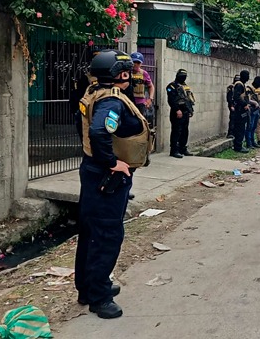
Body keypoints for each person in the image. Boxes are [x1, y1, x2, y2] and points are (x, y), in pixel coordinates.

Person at [75, 50, 150, 319]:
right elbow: (98, 131)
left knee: (91, 231)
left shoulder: (93, 92)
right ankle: (99, 297)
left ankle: (89, 287)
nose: (129, 74)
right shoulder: (111, 101)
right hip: (107, 176)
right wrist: (111, 162)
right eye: (126, 71)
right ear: (118, 74)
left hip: (92, 171)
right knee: (107, 235)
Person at [166, 69, 195, 158]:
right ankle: (174, 150)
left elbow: (189, 98)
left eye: (185, 75)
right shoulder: (171, 86)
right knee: (176, 131)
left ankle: (183, 148)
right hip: (177, 112)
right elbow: (171, 100)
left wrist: (190, 110)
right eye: (182, 75)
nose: (183, 77)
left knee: (185, 131)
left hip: (186, 112)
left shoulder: (185, 86)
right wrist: (177, 110)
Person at [129, 52, 154, 126]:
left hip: (140, 102)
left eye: (138, 62)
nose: (136, 64)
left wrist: (150, 99)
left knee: (140, 123)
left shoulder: (144, 73)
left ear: (141, 64)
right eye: (134, 62)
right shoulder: (126, 73)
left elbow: (151, 86)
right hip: (128, 101)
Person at [231, 71, 250, 153]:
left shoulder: (241, 84)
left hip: (241, 109)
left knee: (241, 128)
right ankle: (238, 146)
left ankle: (238, 145)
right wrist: (244, 104)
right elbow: (236, 97)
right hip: (239, 110)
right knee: (240, 128)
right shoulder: (239, 84)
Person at [245, 77, 260, 149]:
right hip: (251, 110)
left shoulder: (258, 89)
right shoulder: (249, 88)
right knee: (250, 126)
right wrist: (255, 102)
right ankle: (249, 143)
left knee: (254, 127)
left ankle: (253, 142)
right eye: (259, 83)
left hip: (257, 110)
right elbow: (247, 99)